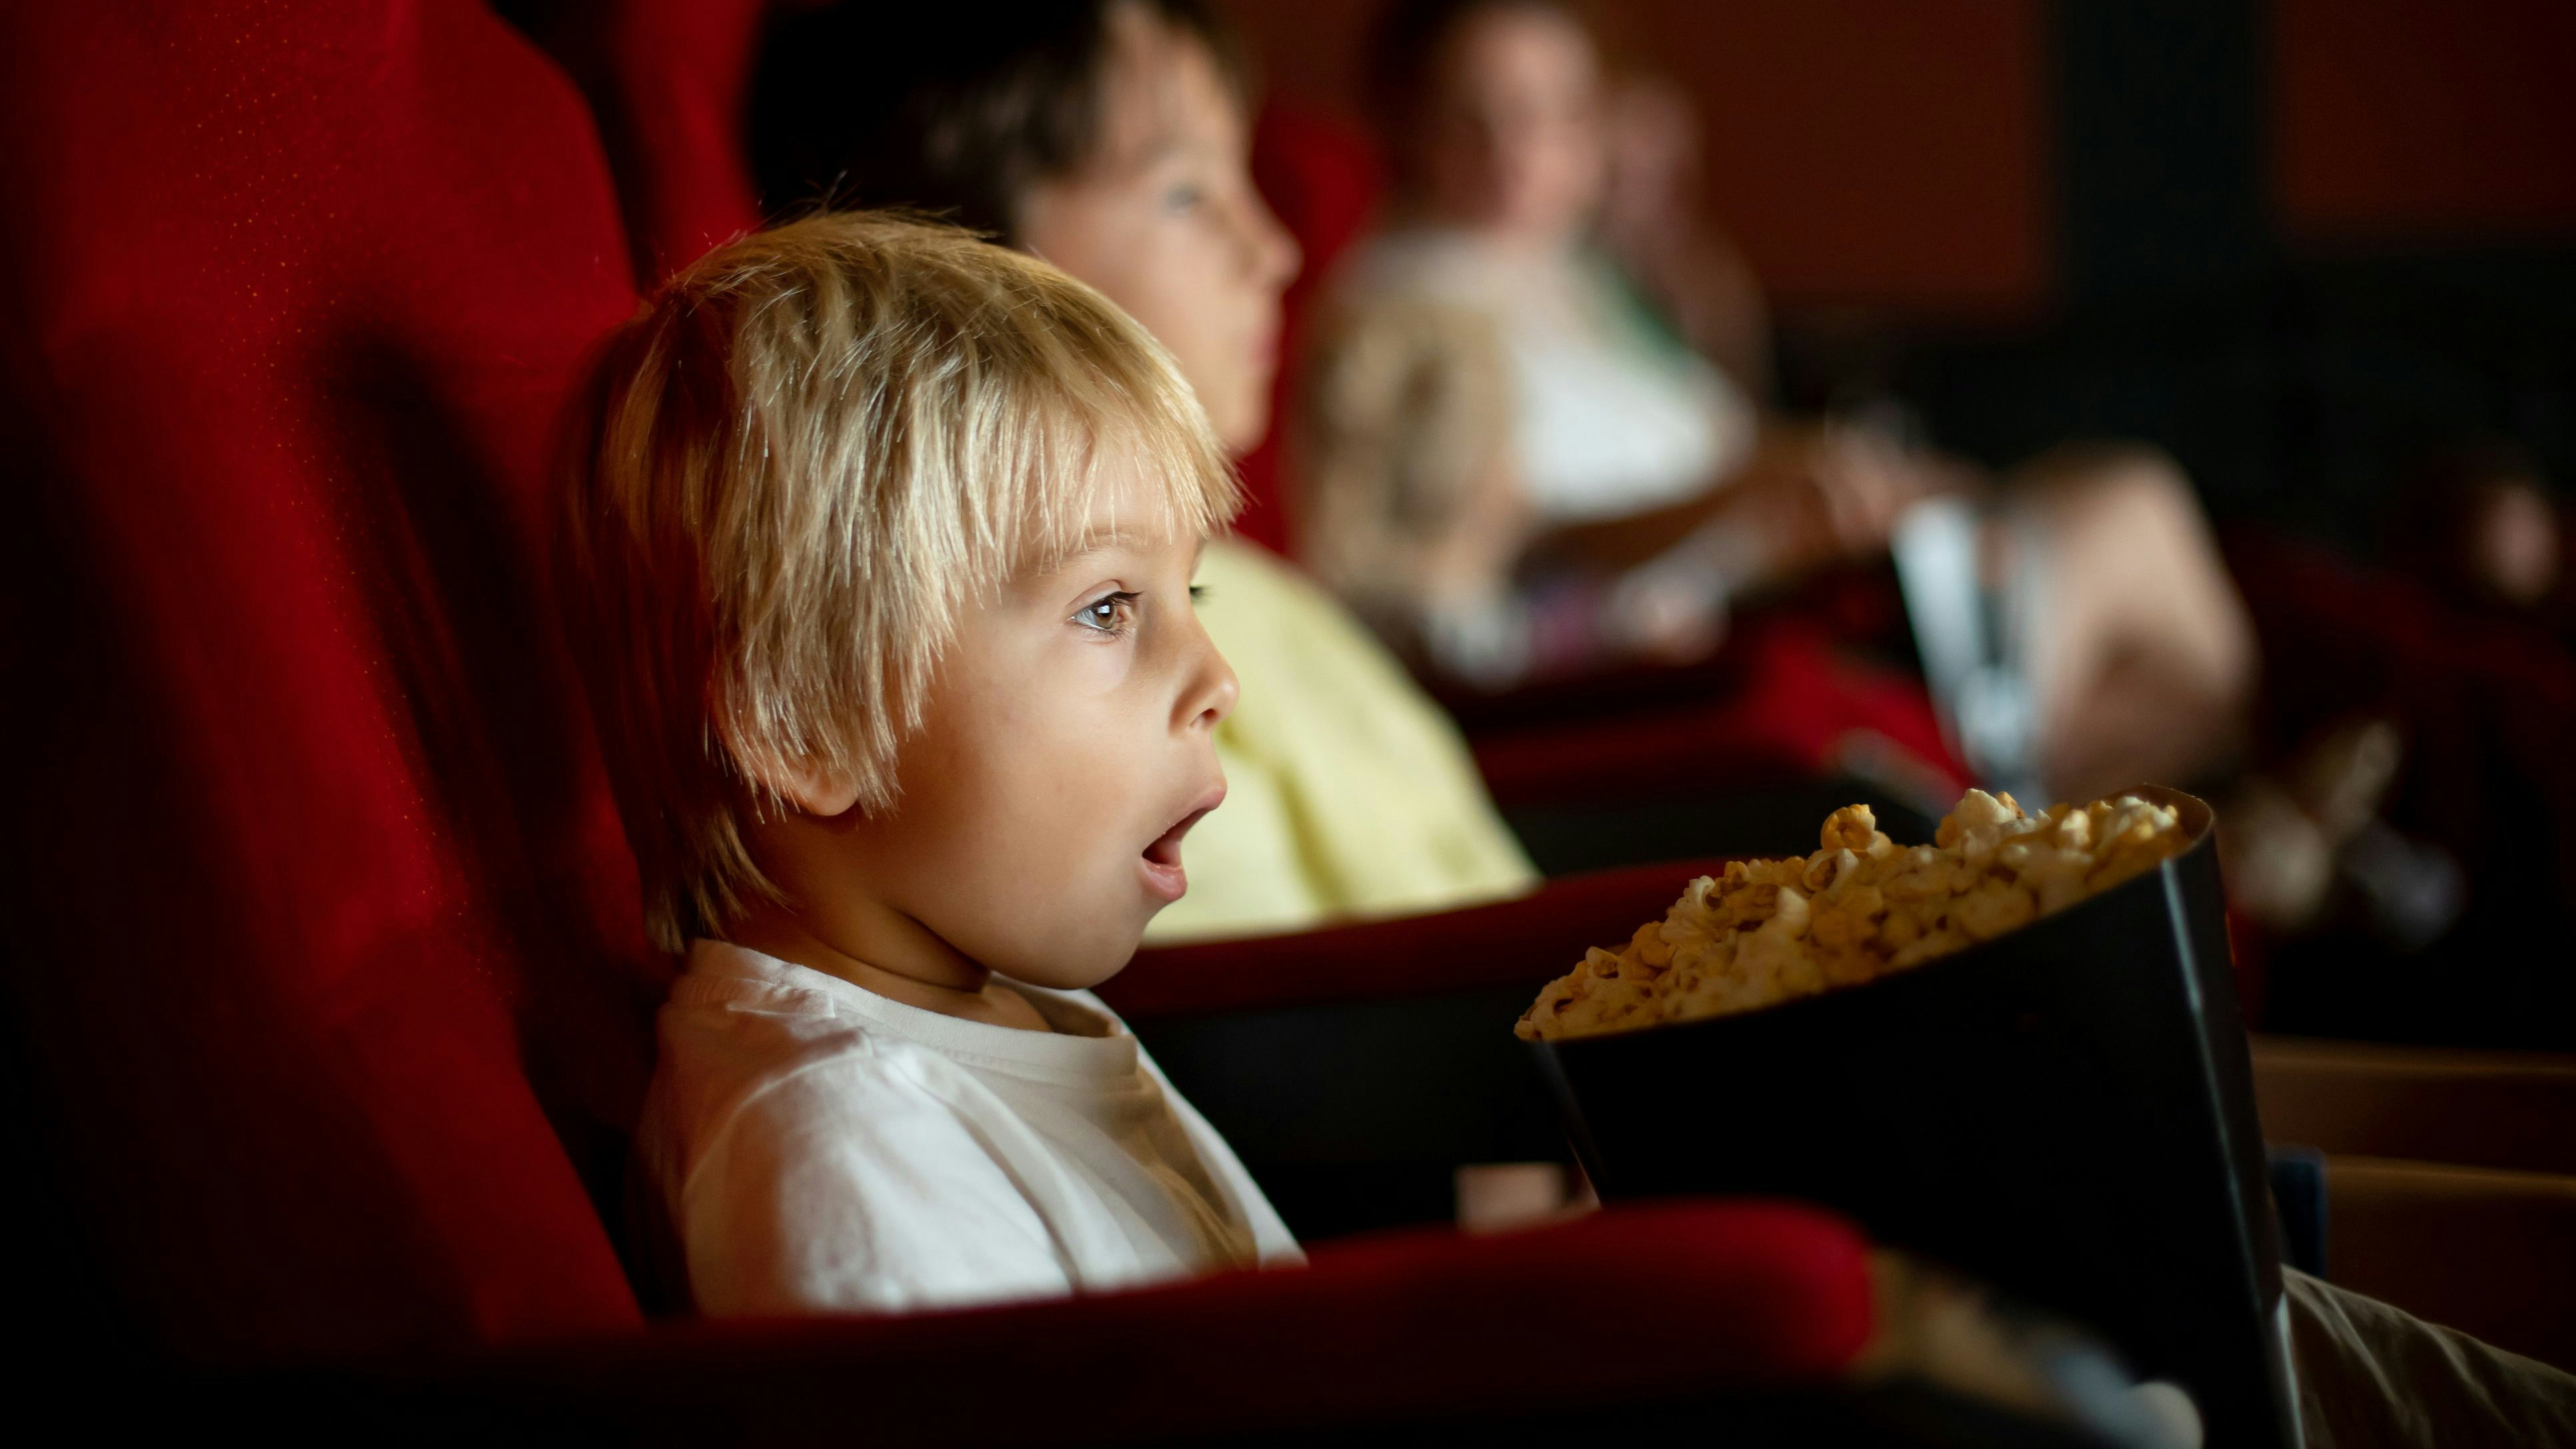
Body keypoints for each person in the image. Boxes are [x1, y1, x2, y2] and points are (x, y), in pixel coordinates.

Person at [559, 214, 1301, 1313]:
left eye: (1186, 594)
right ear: (807, 722)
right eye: (1106, 607)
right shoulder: (842, 1154)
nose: (1217, 679)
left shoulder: (1005, 1006)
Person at [1300, 0, 2256, 806]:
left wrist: (1702, 293)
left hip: (1794, 577)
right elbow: (1498, 558)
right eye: (1475, 116)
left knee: (2166, 645)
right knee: (2138, 510)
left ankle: (2109, 846)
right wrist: (1745, 491)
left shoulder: (1580, 287)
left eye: (1551, 113)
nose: (1517, 151)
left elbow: (1727, 433)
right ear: (1406, 123)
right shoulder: (1410, 316)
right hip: (1699, 646)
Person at [752, 0, 1538, 943]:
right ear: (968, 260)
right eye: (1186, 194)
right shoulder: (1051, 723)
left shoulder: (1267, 605)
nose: (1274, 250)